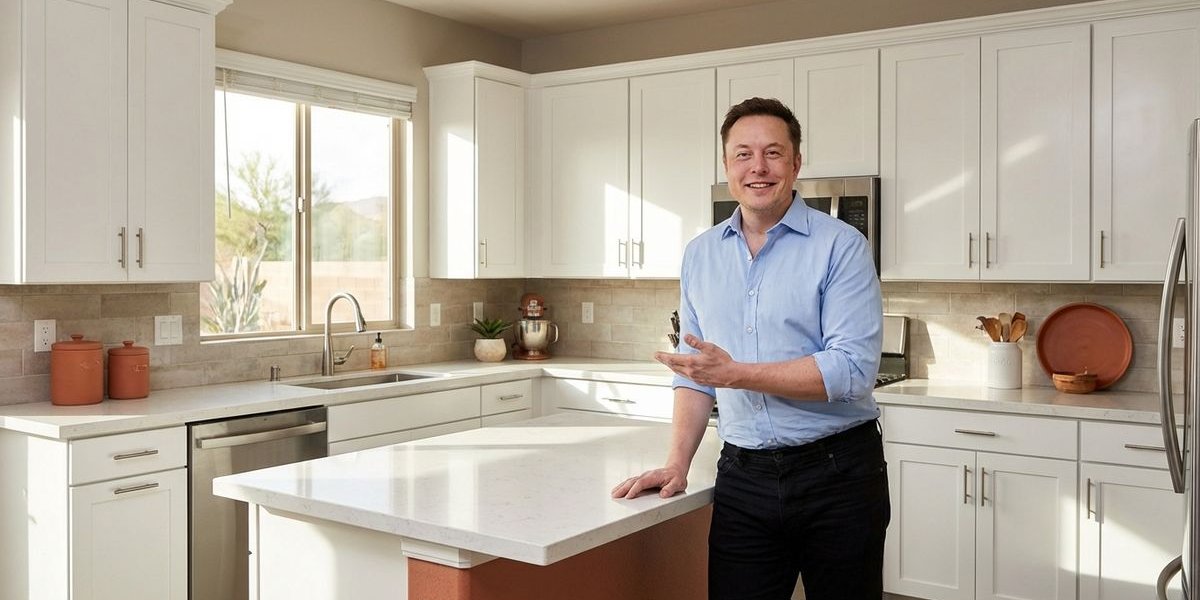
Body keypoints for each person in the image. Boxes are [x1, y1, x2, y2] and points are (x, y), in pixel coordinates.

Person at [610, 97, 887, 600]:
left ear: (796, 163)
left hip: (839, 476)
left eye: (773, 153)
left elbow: (851, 371)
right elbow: (696, 375)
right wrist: (676, 464)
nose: (758, 167)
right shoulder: (699, 255)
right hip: (744, 478)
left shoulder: (842, 246)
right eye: (743, 154)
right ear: (726, 166)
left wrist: (734, 374)